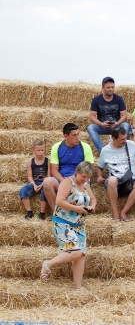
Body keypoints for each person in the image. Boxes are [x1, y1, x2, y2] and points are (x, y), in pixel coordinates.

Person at [40, 161, 96, 292]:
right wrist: (77, 208)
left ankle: (78, 286)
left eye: (87, 177)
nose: (85, 179)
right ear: (76, 172)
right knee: (75, 252)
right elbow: (59, 201)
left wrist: (92, 206)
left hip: (79, 225)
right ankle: (48, 264)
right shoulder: (67, 182)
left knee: (81, 255)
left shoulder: (86, 184)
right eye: (83, 176)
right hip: (62, 222)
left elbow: (93, 198)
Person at [96, 127, 135, 221]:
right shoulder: (105, 150)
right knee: (112, 180)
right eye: (122, 139)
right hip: (115, 182)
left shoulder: (131, 145)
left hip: (131, 180)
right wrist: (99, 176)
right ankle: (115, 212)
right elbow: (100, 167)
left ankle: (124, 212)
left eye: (125, 138)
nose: (125, 141)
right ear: (114, 138)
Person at [42, 123, 94, 217]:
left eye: (78, 134)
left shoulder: (85, 147)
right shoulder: (56, 147)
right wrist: (66, 182)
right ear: (66, 136)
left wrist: (73, 182)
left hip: (79, 179)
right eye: (74, 135)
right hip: (62, 179)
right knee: (47, 182)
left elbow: (89, 169)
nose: (77, 137)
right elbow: (54, 170)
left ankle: (79, 212)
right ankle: (57, 214)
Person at [88, 77, 131, 153]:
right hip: (103, 126)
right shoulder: (96, 100)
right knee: (90, 128)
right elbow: (92, 116)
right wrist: (101, 124)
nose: (110, 89)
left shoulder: (119, 99)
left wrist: (117, 123)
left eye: (112, 87)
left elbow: (124, 115)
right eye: (108, 87)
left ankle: (121, 149)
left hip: (116, 126)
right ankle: (103, 151)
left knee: (126, 125)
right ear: (103, 88)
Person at [20, 139, 49, 220]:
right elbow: (29, 176)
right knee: (23, 190)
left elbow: (49, 175)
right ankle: (29, 212)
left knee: (45, 192)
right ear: (33, 150)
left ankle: (42, 213)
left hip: (44, 182)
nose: (40, 152)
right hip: (34, 182)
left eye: (42, 150)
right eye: (38, 150)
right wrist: (34, 185)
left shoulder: (48, 161)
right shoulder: (30, 162)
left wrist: (42, 184)